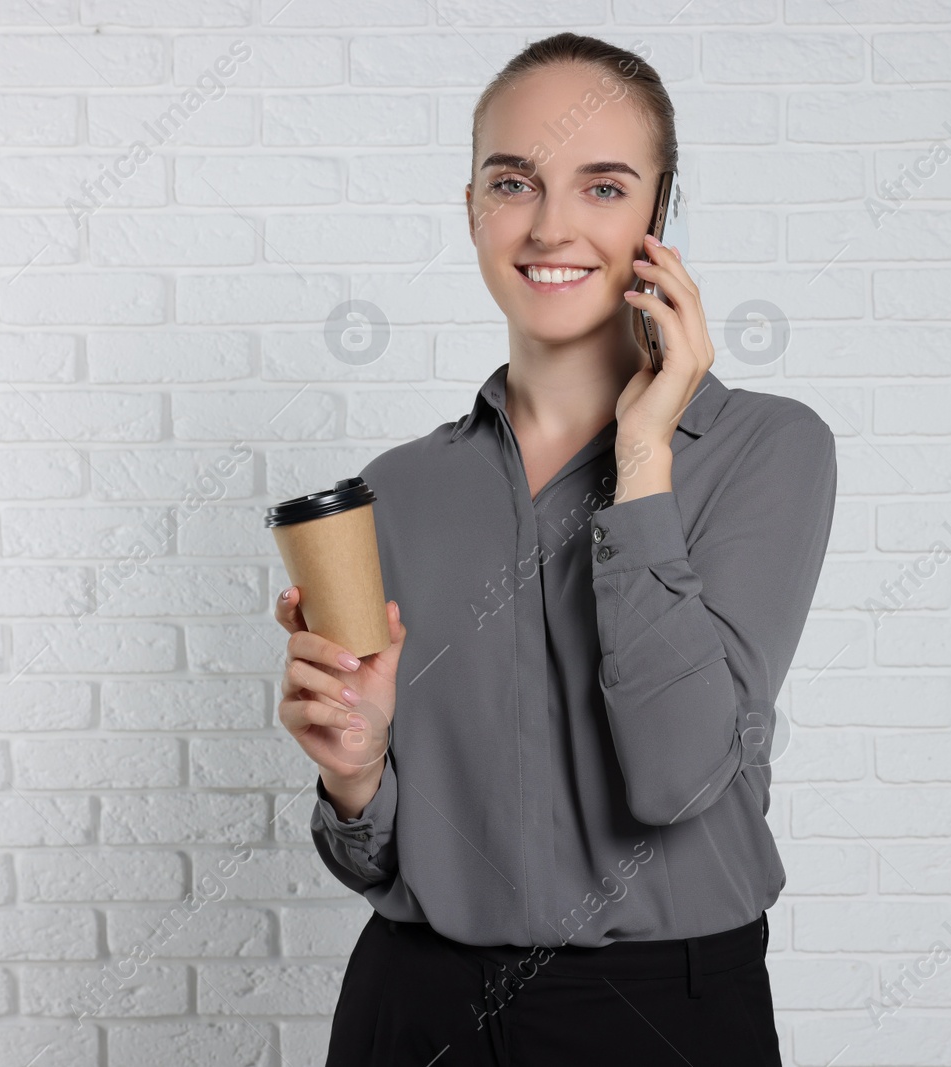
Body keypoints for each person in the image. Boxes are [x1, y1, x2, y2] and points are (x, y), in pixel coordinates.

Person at [275, 32, 837, 1067]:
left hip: (662, 1015)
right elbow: (382, 851)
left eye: (605, 186)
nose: (551, 224)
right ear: (473, 206)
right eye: (513, 180)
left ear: (660, 215)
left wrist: (642, 456)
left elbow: (673, 777)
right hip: (414, 1002)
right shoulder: (397, 489)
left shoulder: (768, 449)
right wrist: (354, 774)